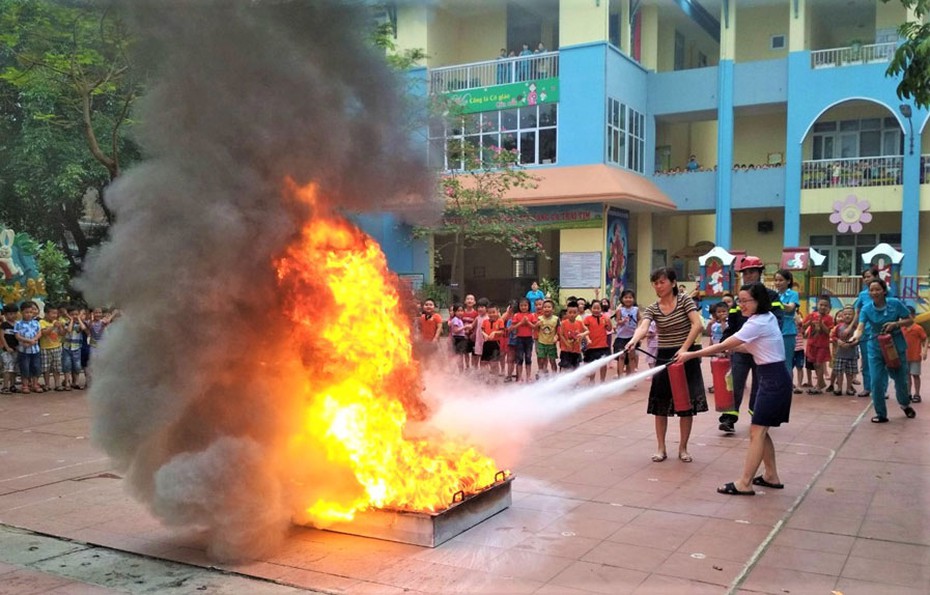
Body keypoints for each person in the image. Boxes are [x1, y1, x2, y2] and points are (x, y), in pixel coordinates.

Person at [677, 283, 792, 496]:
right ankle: (771, 476)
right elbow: (746, 346)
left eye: (746, 301)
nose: (741, 306)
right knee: (760, 430)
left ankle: (745, 483)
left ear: (759, 301)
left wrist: (691, 354)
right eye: (740, 301)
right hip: (772, 378)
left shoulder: (758, 322)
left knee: (757, 431)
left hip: (773, 380)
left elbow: (725, 344)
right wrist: (727, 350)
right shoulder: (766, 319)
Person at [624, 267, 707, 463]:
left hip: (686, 356)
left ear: (673, 282)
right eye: (655, 283)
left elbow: (697, 325)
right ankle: (661, 448)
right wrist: (634, 340)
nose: (658, 286)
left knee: (686, 404)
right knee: (660, 404)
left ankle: (683, 448)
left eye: (662, 282)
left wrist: (685, 349)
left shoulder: (685, 301)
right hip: (665, 356)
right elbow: (643, 326)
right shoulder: (653, 307)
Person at [719, 256, 783, 434]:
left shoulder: (771, 297)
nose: (748, 276)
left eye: (752, 272)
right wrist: (724, 344)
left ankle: (758, 416)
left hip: (761, 351)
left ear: (760, 273)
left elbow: (777, 322)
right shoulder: (739, 298)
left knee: (759, 384)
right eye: (745, 273)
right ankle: (729, 418)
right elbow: (732, 326)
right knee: (735, 382)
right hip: (740, 350)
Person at [850, 278, 916, 422]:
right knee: (876, 381)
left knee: (900, 380)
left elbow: (910, 320)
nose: (874, 292)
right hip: (875, 347)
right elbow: (860, 327)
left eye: (877, 289)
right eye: (871, 290)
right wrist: (855, 337)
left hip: (895, 346)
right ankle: (881, 414)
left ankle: (905, 404)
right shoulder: (867, 308)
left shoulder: (895, 304)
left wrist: (896, 324)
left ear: (884, 291)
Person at [852, 266, 880, 397]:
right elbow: (857, 312)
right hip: (865, 332)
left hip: (880, 332)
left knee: (880, 361)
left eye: (869, 276)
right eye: (864, 277)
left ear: (876, 276)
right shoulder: (862, 295)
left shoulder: (886, 292)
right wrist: (851, 327)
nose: (866, 279)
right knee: (866, 361)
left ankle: (881, 389)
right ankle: (867, 387)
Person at [801, 296, 834, 394]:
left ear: (829, 307)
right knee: (815, 364)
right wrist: (810, 322)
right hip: (812, 344)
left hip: (822, 345)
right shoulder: (811, 315)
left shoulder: (829, 318)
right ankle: (821, 382)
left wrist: (821, 323)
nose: (823, 307)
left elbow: (828, 331)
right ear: (817, 305)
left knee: (819, 364)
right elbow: (803, 326)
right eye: (821, 305)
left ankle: (819, 386)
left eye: (825, 305)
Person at [773, 269, 800, 374]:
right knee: (775, 361)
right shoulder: (775, 295)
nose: (777, 283)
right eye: (776, 280)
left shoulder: (793, 294)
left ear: (788, 281)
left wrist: (775, 302)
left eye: (781, 280)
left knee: (787, 362)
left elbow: (790, 308)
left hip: (788, 331)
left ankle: (787, 388)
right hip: (774, 331)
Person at [14, 301, 43, 394]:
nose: (29, 314)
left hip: (35, 350)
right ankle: (25, 385)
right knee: (25, 368)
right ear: (21, 312)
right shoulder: (18, 324)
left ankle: (35, 384)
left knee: (36, 367)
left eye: (31, 312)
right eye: (26, 312)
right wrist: (27, 341)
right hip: (24, 351)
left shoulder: (36, 322)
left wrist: (34, 339)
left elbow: (39, 333)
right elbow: (17, 336)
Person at [830, 305, 858, 396]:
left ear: (854, 316)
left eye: (850, 314)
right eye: (845, 314)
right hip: (840, 354)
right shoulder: (838, 327)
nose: (847, 316)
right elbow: (833, 336)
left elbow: (859, 338)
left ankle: (849, 388)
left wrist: (852, 344)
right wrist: (838, 341)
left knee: (850, 373)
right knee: (839, 372)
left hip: (851, 354)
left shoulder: (856, 327)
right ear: (842, 316)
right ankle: (839, 388)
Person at [582, 300, 612, 383]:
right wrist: (588, 339)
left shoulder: (604, 318)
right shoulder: (587, 319)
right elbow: (585, 331)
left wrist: (608, 320)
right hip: (591, 346)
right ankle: (592, 381)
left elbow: (609, 329)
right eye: (594, 308)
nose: (596, 310)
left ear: (601, 309)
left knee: (603, 364)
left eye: (598, 308)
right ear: (591, 309)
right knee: (592, 365)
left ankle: (602, 381)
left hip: (603, 345)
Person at [903, 306, 927, 403]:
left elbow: (925, 340)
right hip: (905, 356)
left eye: (908, 316)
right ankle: (908, 393)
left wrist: (924, 351)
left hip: (915, 356)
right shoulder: (902, 328)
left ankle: (917, 394)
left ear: (913, 316)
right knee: (907, 375)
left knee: (915, 375)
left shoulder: (918, 328)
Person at [39, 303, 65, 391]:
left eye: (56, 313)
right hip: (45, 348)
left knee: (57, 367)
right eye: (53, 313)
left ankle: (57, 384)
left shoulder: (58, 322)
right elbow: (44, 333)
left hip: (57, 347)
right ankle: (47, 384)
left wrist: (60, 326)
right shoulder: (42, 322)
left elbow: (62, 333)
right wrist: (53, 326)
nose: (55, 315)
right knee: (46, 368)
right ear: (46, 313)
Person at [613, 290, 639, 377]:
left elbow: (639, 319)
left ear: (634, 299)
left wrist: (638, 331)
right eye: (626, 297)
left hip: (632, 337)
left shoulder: (636, 309)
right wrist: (622, 321)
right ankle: (620, 377)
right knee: (621, 357)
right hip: (621, 338)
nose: (628, 299)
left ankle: (631, 378)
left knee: (631, 358)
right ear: (622, 299)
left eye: (630, 297)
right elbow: (617, 321)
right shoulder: (620, 310)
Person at [511, 298, 537, 382]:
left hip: (529, 339)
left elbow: (534, 326)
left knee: (528, 357)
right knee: (519, 358)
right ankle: (519, 377)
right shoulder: (516, 315)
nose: (523, 307)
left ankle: (528, 376)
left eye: (525, 305)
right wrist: (521, 322)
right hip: (519, 339)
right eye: (521, 305)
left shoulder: (531, 315)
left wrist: (528, 322)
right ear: (519, 306)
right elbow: (513, 327)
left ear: (529, 306)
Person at [61, 305, 86, 390]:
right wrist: (71, 319)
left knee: (77, 366)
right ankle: (67, 382)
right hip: (67, 348)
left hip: (77, 348)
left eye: (76, 314)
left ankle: (76, 382)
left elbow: (83, 328)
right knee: (67, 365)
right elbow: (68, 330)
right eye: (72, 314)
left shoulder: (79, 324)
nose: (74, 316)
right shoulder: (66, 323)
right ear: (68, 315)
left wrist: (78, 318)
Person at [480, 305, 506, 378]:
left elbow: (502, 332)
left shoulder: (500, 321)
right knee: (484, 362)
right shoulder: (485, 321)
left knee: (494, 362)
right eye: (490, 312)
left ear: (497, 312)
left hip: (496, 343)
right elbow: (482, 330)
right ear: (487, 313)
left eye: (493, 312)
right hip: (486, 343)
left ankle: (495, 378)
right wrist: (484, 334)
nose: (491, 314)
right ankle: (484, 377)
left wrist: (494, 333)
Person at [558, 301, 585, 371]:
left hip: (576, 350)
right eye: (570, 312)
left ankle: (575, 381)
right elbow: (561, 334)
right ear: (567, 313)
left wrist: (581, 337)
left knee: (575, 367)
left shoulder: (580, 323)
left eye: (574, 312)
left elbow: (586, 332)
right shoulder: (563, 323)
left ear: (578, 313)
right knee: (565, 367)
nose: (572, 314)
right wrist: (567, 344)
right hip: (565, 350)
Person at [535, 299, 559, 377]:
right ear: (542, 309)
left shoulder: (556, 319)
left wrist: (556, 337)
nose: (547, 308)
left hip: (551, 343)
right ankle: (541, 374)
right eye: (545, 307)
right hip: (541, 343)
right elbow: (535, 329)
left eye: (549, 307)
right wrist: (536, 325)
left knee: (552, 361)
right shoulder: (539, 318)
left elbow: (559, 331)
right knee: (541, 359)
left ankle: (555, 376)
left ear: (553, 309)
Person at [0, 304, 19, 394]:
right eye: (10, 314)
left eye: (14, 313)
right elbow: (2, 337)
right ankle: (5, 387)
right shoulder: (4, 325)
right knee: (7, 368)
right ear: (6, 315)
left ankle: (12, 385)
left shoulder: (18, 324)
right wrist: (6, 347)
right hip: (6, 350)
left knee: (14, 369)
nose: (13, 316)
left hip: (16, 350)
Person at [448, 304, 468, 372]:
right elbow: (456, 330)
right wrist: (465, 327)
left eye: (462, 311)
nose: (460, 312)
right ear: (454, 312)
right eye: (458, 311)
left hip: (461, 338)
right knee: (459, 356)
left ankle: (461, 370)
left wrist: (464, 331)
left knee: (461, 355)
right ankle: (459, 370)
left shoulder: (459, 320)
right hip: (458, 339)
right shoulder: (455, 320)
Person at [461, 294, 479, 369]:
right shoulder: (461, 312)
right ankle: (467, 366)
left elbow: (477, 325)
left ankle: (474, 367)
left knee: (475, 353)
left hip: (473, 336)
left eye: (471, 299)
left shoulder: (476, 313)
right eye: (468, 299)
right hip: (464, 336)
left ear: (474, 302)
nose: (469, 300)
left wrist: (474, 334)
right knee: (465, 352)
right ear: (465, 301)